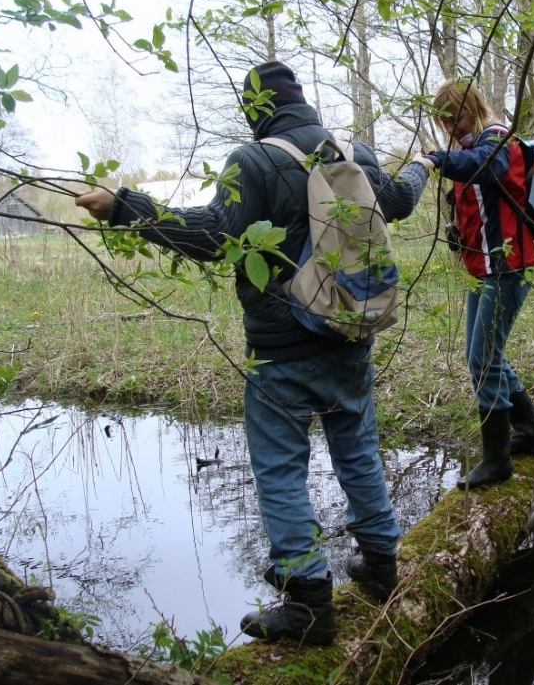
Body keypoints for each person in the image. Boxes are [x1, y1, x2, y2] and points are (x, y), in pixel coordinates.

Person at [76, 62, 429, 645]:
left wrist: (124, 207)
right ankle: (382, 565)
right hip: (350, 332)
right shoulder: (349, 154)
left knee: (279, 470)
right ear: (301, 101)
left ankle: (308, 603)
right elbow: (398, 201)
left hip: (282, 351)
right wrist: (421, 165)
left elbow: (215, 236)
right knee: (359, 450)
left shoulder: (253, 161)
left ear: (256, 108)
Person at [412, 78, 534, 490]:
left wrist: (433, 159)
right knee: (487, 356)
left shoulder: (497, 139)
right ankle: (529, 433)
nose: (451, 126)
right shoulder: (467, 148)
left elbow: (487, 167)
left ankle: (497, 459)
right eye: (443, 121)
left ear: (475, 108)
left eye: (458, 117)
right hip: (481, 267)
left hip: (506, 265)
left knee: (483, 359)